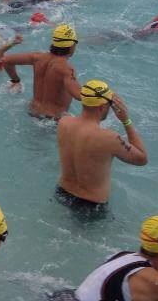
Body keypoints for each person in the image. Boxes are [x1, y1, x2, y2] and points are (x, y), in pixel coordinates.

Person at [55, 80, 147, 216]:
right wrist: (126, 121)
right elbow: (142, 159)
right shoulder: (110, 138)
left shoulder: (63, 122)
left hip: (62, 194)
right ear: (102, 107)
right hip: (90, 206)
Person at [1, 24, 83, 119]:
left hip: (32, 112)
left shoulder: (37, 58)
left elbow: (6, 60)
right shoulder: (67, 69)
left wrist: (16, 81)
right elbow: (79, 96)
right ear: (72, 45)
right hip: (52, 120)